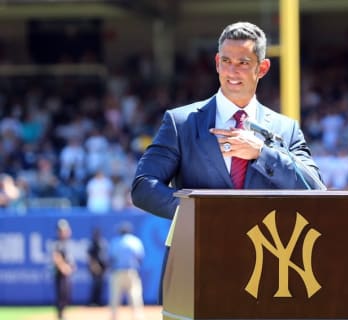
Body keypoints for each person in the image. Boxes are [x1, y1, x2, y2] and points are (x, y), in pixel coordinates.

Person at [131, 21, 326, 304]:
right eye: (226, 61)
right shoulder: (182, 122)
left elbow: (315, 190)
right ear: (217, 63)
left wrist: (262, 153)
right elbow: (143, 186)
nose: (232, 71)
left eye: (243, 62)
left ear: (262, 68)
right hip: (197, 263)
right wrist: (201, 214)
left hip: (269, 271)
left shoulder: (286, 129)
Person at [108, 222, 145, 320]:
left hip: (118, 272)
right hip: (131, 272)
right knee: (135, 295)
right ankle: (138, 317)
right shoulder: (135, 241)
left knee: (115, 296)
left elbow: (110, 258)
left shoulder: (115, 241)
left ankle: (113, 316)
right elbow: (140, 257)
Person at [52, 219, 76, 320]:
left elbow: (69, 259)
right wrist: (64, 268)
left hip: (67, 274)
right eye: (62, 230)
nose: (65, 232)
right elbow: (56, 257)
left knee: (67, 295)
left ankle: (61, 314)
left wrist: (71, 266)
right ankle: (60, 316)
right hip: (60, 274)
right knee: (61, 295)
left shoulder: (67, 243)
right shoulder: (58, 243)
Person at [87, 227, 108, 306]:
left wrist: (105, 266)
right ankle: (93, 302)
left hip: (102, 268)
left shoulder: (102, 243)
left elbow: (105, 256)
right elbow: (90, 257)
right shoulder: (92, 244)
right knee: (95, 285)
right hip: (95, 268)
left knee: (100, 285)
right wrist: (94, 266)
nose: (97, 236)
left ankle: (99, 301)